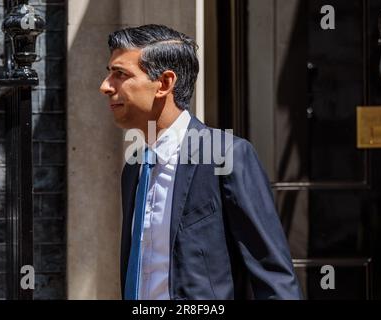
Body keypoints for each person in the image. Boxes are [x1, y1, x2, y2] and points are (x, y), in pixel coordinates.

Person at [99, 24, 302, 300]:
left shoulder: (227, 155)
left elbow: (273, 275)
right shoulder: (134, 168)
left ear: (165, 83)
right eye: (109, 73)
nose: (105, 86)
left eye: (120, 74)